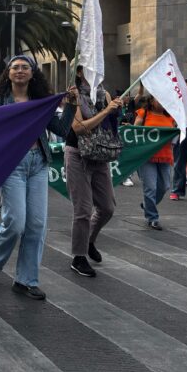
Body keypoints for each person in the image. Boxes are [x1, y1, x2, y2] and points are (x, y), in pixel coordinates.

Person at [0, 55, 77, 299]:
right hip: (12, 166)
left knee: (37, 225)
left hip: (38, 164)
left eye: (25, 68)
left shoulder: (41, 102)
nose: (20, 71)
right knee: (16, 222)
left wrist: (72, 105)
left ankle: (26, 280)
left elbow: (61, 130)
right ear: (8, 73)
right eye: (15, 67)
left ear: (33, 73)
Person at [66, 66, 123, 277]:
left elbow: (109, 124)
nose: (97, 72)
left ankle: (88, 240)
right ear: (80, 73)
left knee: (107, 207)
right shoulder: (73, 94)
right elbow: (78, 127)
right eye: (91, 68)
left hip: (99, 154)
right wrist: (107, 111)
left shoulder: (104, 94)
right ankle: (78, 257)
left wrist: (116, 110)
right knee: (82, 209)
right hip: (78, 154)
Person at [134, 96, 176, 230]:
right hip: (146, 156)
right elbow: (135, 131)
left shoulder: (171, 117)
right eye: (160, 99)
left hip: (165, 156)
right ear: (151, 101)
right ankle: (152, 217)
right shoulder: (143, 113)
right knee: (150, 188)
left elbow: (174, 134)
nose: (163, 103)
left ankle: (147, 205)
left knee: (164, 186)